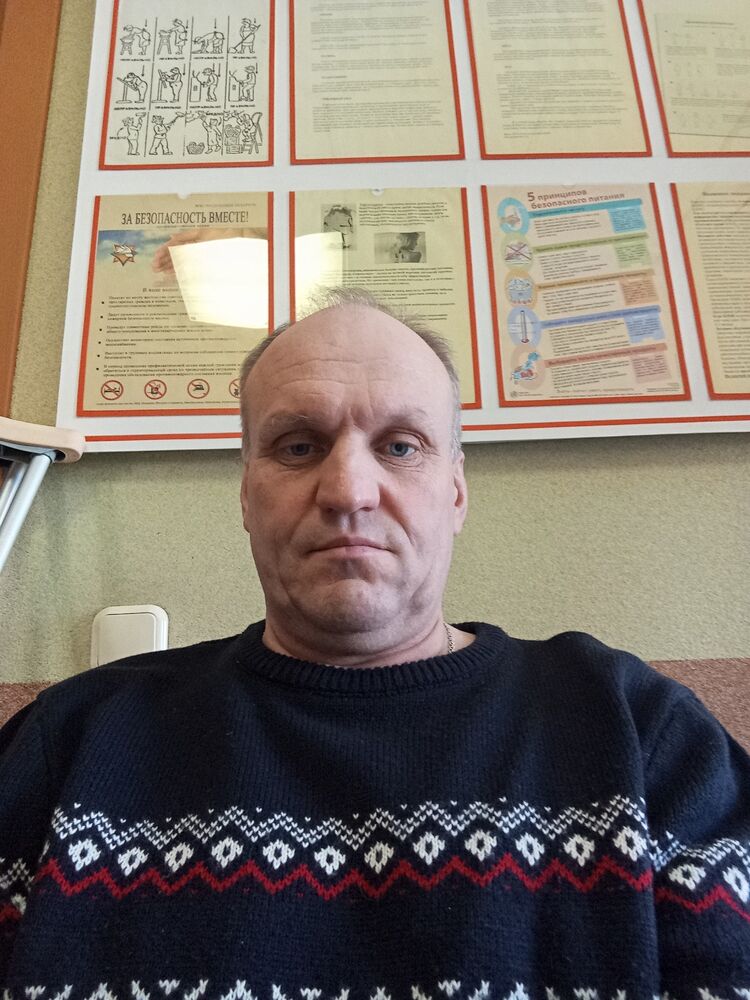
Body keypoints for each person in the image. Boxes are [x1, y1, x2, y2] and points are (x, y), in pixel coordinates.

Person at [0, 288, 748, 994]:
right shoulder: (70, 740)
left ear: (456, 492)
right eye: (299, 446)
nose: (348, 491)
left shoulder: (638, 730)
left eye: (400, 446)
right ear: (246, 494)